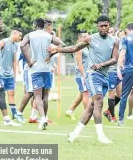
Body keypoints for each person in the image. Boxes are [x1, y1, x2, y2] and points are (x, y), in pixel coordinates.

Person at [47, 15, 119, 144]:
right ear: (97, 26)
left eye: (106, 25)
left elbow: (115, 59)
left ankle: (74, 135)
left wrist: (101, 65)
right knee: (98, 102)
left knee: (91, 107)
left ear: (109, 25)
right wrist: (57, 49)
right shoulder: (90, 39)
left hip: (105, 76)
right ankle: (101, 135)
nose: (103, 28)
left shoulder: (115, 40)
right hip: (92, 74)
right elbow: (74, 48)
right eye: (101, 26)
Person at [20, 18, 64, 130]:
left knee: (37, 96)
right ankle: (44, 117)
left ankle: (43, 118)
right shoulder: (48, 36)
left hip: (35, 69)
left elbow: (21, 45)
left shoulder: (30, 35)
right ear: (43, 25)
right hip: (47, 69)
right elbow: (61, 43)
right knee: (45, 96)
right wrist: (51, 55)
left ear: (35, 25)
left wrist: (29, 61)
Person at [65, 31, 90, 120]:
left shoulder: (86, 47)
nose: (86, 38)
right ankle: (87, 115)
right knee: (86, 94)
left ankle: (70, 110)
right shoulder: (79, 48)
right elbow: (79, 64)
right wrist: (84, 75)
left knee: (81, 94)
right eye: (84, 36)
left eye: (87, 36)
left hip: (86, 73)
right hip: (81, 74)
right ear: (79, 38)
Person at [103, 30, 125, 122]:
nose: (123, 36)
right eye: (110, 32)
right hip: (111, 71)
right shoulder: (109, 45)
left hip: (119, 72)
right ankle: (112, 115)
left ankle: (108, 111)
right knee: (111, 94)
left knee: (120, 95)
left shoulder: (123, 44)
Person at [0, 29, 22, 119]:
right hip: (0, 74)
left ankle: (14, 114)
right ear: (14, 33)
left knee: (11, 93)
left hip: (10, 75)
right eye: (20, 35)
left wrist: (15, 76)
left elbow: (14, 61)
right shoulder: (3, 42)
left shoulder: (15, 46)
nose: (20, 38)